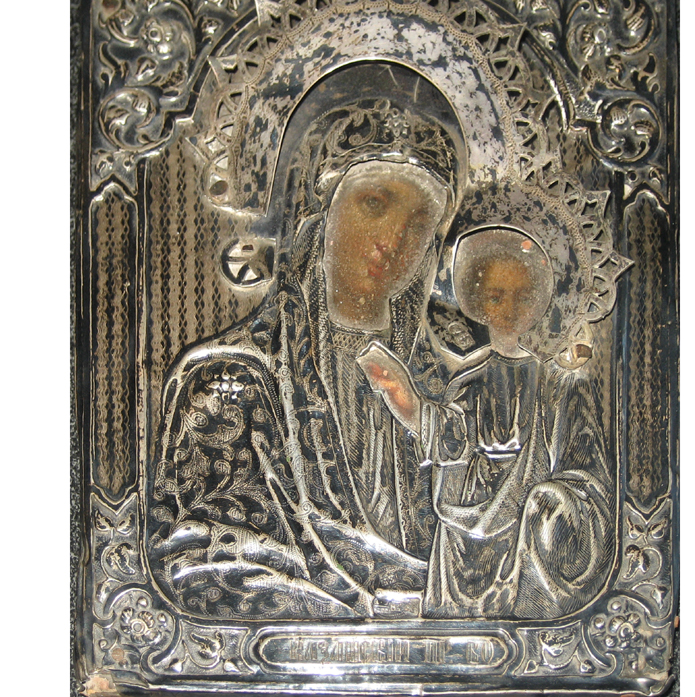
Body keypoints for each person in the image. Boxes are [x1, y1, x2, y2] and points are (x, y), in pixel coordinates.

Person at [147, 64, 465, 620]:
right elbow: (190, 563)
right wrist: (356, 605)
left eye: (419, 221)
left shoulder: (447, 390)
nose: (394, 239)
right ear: (322, 211)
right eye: (374, 204)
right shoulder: (231, 380)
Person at [361, 227, 614, 619]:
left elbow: (583, 465)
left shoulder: (553, 381)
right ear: (479, 303)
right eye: (496, 296)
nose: (510, 308)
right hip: (465, 525)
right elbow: (449, 438)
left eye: (522, 296)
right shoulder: (469, 380)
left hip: (525, 522)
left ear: (538, 302)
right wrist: (402, 395)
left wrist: (548, 503)